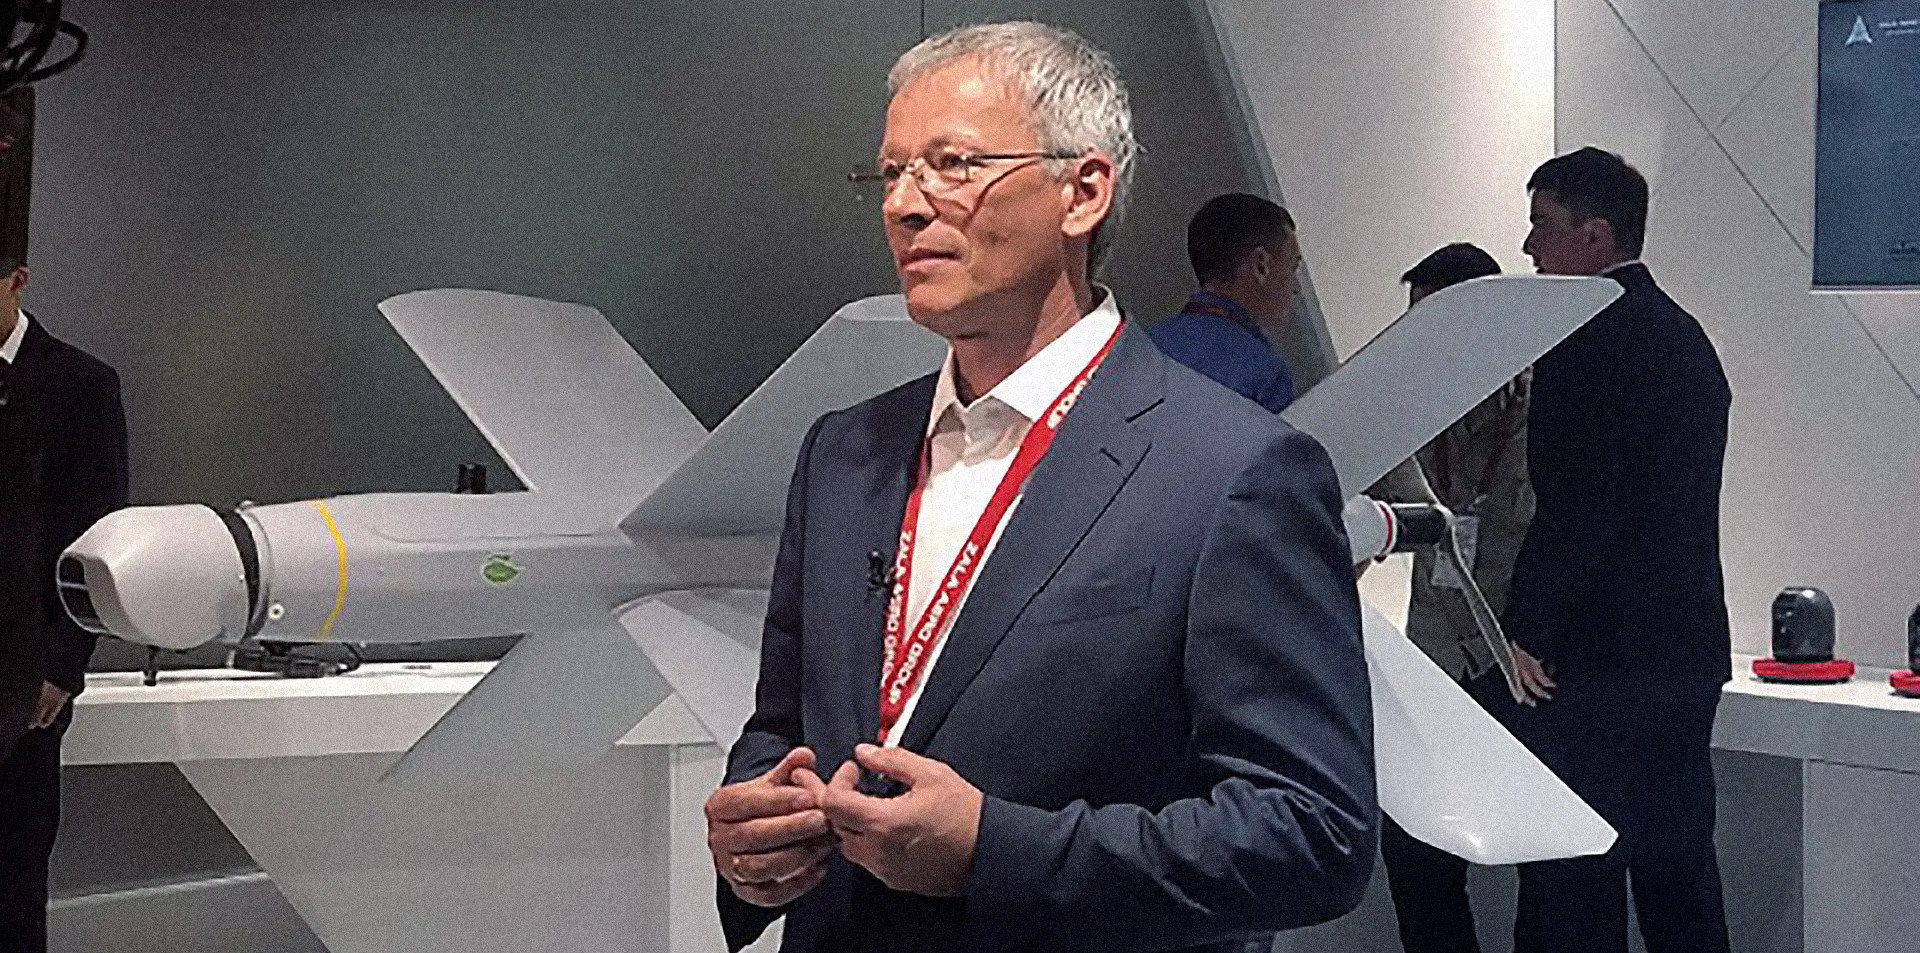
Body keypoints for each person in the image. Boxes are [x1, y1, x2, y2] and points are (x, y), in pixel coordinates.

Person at [704, 22, 1376, 953]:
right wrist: (758, 828)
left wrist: (999, 850)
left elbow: (1312, 831)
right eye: (891, 173)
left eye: (953, 164)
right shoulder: (843, 453)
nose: (905, 204)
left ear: (1083, 191)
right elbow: (782, 724)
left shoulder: (1236, 470)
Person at [1502, 146, 1732, 953]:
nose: (1529, 246)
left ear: (1595, 236)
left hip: (1601, 657)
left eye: (1542, 225)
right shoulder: (1686, 338)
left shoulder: (1583, 339)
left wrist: (1525, 626)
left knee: (1577, 880)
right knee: (1679, 873)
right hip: (1686, 647)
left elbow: (1580, 505)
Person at [1372, 243, 1533, 953]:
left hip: (1517, 666)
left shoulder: (1542, 410)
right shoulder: (1402, 415)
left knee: (1546, 865)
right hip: (1434, 662)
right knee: (1415, 858)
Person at [0, 262, 129, 953]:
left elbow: (99, 535)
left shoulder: (81, 385)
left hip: (23, 675)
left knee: (13, 880)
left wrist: (61, 666)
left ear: (16, 281)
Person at [1148, 193, 1301, 411]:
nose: (1296, 287)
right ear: (1261, 265)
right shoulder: (1263, 375)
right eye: (1292, 268)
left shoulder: (1144, 349)